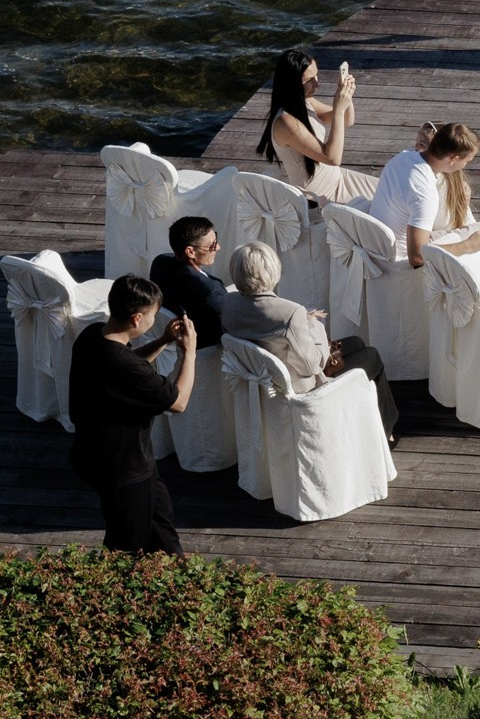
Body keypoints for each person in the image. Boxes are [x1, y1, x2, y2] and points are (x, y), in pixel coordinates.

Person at [219, 241, 400, 445]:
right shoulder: (289, 312)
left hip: (262, 377)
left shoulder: (229, 302)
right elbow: (311, 366)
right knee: (372, 356)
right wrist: (313, 325)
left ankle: (381, 425)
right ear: (272, 270)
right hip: (298, 386)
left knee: (356, 343)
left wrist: (302, 321)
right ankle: (386, 432)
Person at [68, 277, 196, 553]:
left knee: (161, 528)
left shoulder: (92, 336)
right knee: (126, 545)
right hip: (123, 468)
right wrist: (190, 352)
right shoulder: (124, 365)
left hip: (105, 454)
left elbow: (128, 365)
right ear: (137, 319)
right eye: (152, 316)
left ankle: (178, 574)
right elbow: (178, 402)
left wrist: (162, 340)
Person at [368, 122, 480, 278]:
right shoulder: (425, 193)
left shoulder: (403, 157)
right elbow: (417, 258)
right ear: (453, 159)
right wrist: (467, 246)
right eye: (467, 160)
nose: (465, 165)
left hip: (382, 246)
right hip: (402, 258)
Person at [256, 45, 378, 202]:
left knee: (393, 192)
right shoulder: (286, 123)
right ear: (292, 83)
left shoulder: (306, 102)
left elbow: (348, 120)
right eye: (309, 80)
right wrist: (338, 109)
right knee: (384, 211)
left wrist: (346, 94)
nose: (317, 84)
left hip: (337, 178)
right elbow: (333, 158)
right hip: (318, 197)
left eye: (316, 76)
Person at [148, 213, 227, 348]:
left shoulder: (160, 262)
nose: (218, 247)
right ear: (190, 252)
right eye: (212, 245)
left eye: (216, 239)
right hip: (207, 350)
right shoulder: (210, 291)